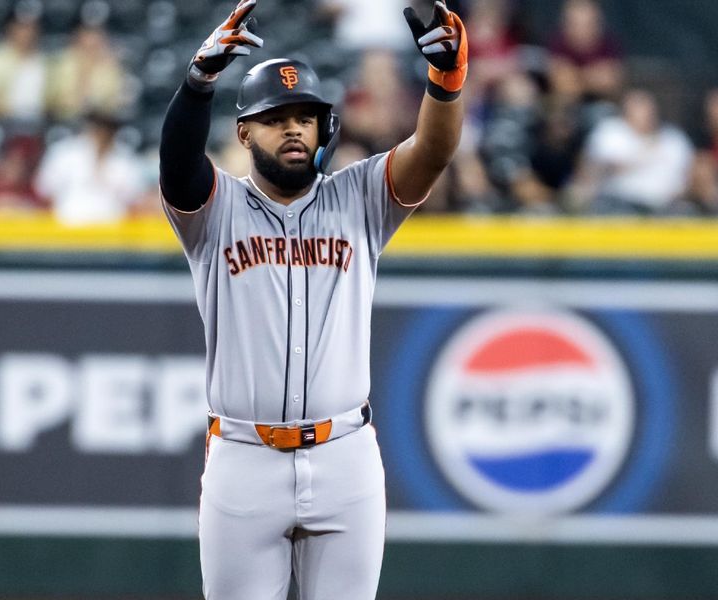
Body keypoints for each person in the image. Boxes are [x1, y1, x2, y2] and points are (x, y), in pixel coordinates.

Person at [158, 1, 466, 598]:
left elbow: (432, 152)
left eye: (306, 116)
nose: (294, 127)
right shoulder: (215, 210)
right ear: (245, 132)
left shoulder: (359, 199)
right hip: (245, 458)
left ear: (326, 126)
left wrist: (446, 83)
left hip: (344, 455)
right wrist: (197, 86)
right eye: (277, 117)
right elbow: (177, 167)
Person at [571, 89, 694, 215]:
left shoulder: (673, 139)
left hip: (665, 207)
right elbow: (592, 169)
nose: (644, 113)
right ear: (625, 110)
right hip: (618, 203)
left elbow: (687, 178)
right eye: (637, 107)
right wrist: (639, 156)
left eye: (646, 107)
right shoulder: (611, 132)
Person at [35, 110, 145, 225]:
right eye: (97, 125)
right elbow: (45, 189)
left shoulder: (126, 158)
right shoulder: (65, 152)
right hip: (68, 227)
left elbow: (135, 197)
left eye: (106, 126)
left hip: (112, 231)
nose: (101, 131)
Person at [0, 12, 48, 121]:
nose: (27, 33)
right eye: (22, 27)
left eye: (31, 27)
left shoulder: (47, 59)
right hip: (2, 120)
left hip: (41, 122)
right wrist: (9, 111)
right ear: (10, 29)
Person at [46, 23, 127, 121]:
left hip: (97, 123)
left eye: (96, 38)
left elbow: (113, 103)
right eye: (87, 36)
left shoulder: (110, 68)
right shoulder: (62, 63)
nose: (91, 43)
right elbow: (51, 98)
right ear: (77, 39)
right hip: (61, 119)